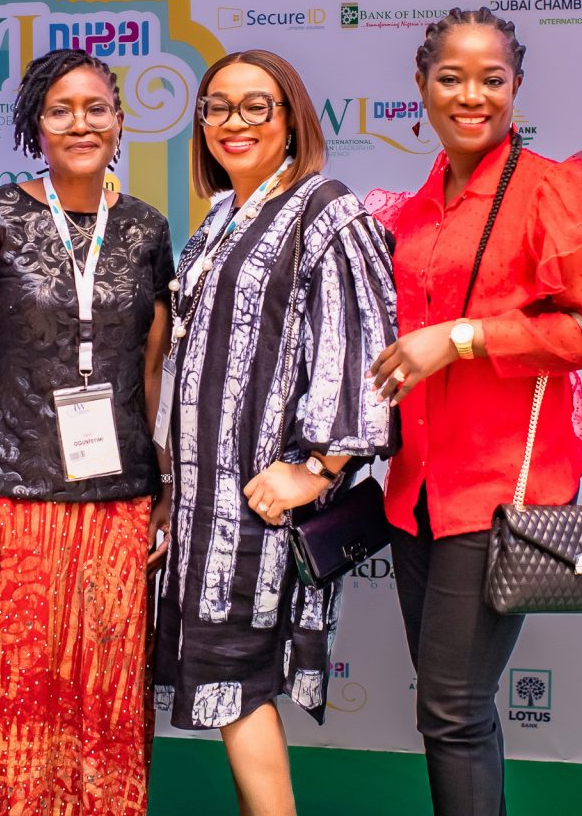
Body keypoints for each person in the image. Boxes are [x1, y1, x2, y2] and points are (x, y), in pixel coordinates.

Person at [367, 8, 582, 815]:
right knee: (452, 708)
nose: (471, 95)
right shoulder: (414, 209)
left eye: (492, 79)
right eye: (451, 78)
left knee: (451, 711)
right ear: (421, 86)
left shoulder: (551, 190)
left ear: (517, 87)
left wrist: (466, 338)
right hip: (415, 491)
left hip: (499, 493)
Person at [154, 50, 399, 816]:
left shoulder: (326, 209)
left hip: (260, 506)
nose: (234, 122)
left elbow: (364, 349)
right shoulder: (221, 217)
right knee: (231, 685)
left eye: (255, 105)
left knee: (240, 684)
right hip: (203, 507)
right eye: (217, 106)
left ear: (291, 117)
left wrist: (317, 469)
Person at [0, 48, 173, 815]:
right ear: (35, 127)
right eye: (60, 110)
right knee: (7, 699)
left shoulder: (145, 229)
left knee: (105, 707)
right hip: (13, 502)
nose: (81, 124)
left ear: (120, 120)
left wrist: (163, 487)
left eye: (96, 108)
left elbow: (151, 371)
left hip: (118, 505)